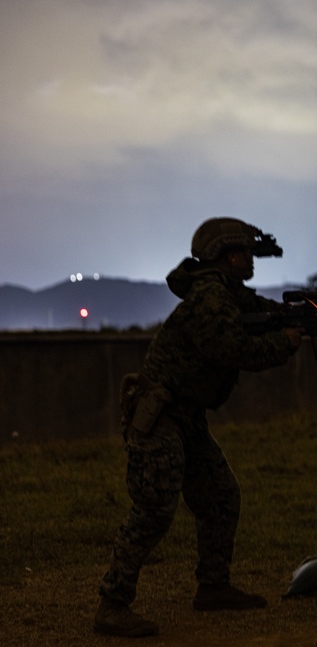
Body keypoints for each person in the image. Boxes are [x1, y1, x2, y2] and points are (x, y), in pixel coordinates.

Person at [95, 218, 303, 637]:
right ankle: (112, 605)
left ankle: (213, 587)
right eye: (245, 253)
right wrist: (287, 343)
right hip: (161, 417)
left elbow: (266, 313)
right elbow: (233, 348)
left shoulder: (227, 293)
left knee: (221, 497)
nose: (251, 261)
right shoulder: (210, 297)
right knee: (153, 510)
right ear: (227, 256)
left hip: (185, 417)